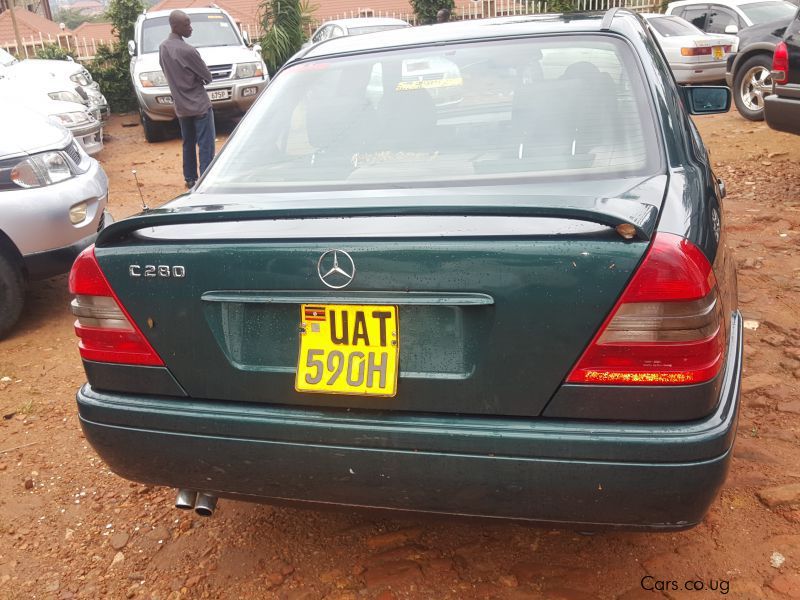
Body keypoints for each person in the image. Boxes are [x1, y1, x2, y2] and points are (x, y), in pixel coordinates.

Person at [159, 10, 215, 188]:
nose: (191, 28)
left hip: (181, 107)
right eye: (186, 24)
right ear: (175, 26)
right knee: (206, 145)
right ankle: (205, 180)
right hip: (199, 106)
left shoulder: (163, 48)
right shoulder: (188, 51)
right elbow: (207, 77)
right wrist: (196, 78)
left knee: (188, 143)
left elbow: (169, 73)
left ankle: (190, 178)